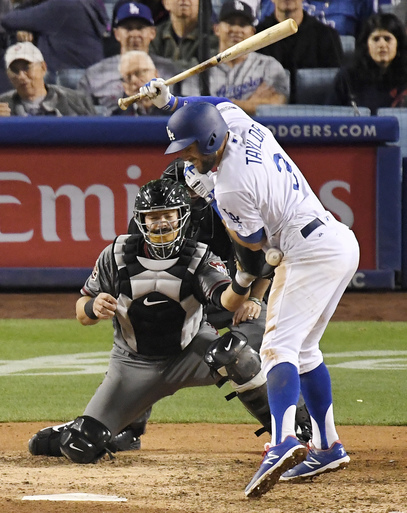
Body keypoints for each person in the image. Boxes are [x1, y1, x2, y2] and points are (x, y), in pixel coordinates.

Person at [138, 78, 359, 497]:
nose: (184, 156)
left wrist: (218, 204)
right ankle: (328, 445)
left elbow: (255, 249)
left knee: (276, 349)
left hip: (306, 251)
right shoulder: (237, 121)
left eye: (189, 148)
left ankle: (281, 443)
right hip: (338, 242)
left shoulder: (231, 187)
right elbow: (215, 103)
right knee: (305, 351)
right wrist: (171, 101)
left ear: (209, 141)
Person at [28, 178, 275, 463]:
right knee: (80, 447)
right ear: (141, 221)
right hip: (132, 365)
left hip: (191, 355)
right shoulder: (116, 255)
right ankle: (82, 430)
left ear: (182, 217)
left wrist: (243, 278)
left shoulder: (198, 256)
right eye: (153, 217)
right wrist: (94, 306)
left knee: (235, 353)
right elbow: (81, 312)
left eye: (168, 215)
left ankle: (290, 433)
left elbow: (226, 301)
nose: (161, 224)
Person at [183, 0, 289, 115]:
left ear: (252, 32)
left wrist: (219, 104)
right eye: (230, 23)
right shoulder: (200, 68)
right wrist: (250, 104)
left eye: (243, 24)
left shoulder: (269, 65)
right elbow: (193, 109)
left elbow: (277, 105)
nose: (236, 29)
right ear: (217, 29)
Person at [77, 1, 181, 115]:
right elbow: (82, 116)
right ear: (116, 34)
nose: (134, 34)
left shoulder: (172, 71)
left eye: (140, 28)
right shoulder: (94, 75)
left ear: (152, 33)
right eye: (128, 28)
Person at [256, 0, 344, 103]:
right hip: (268, 114)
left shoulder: (327, 36)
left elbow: (336, 88)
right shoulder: (256, 37)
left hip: (315, 113)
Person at [1, 0, 109, 75]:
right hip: (85, 73)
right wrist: (23, 28)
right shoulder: (82, 3)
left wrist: (22, 25)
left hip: (70, 75)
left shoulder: (64, 4)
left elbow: (10, 20)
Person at [327, 12, 407, 114]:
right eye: (376, 39)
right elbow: (330, 118)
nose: (382, 44)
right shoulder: (347, 78)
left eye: (387, 39)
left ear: (398, 45)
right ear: (366, 46)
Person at [0, 42, 96, 116]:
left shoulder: (77, 101)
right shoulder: (2, 103)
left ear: (43, 68)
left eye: (26, 68)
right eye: (14, 70)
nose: (21, 76)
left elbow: (96, 135)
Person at [149, 0, 219, 68]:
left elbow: (205, 68)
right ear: (165, 2)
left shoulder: (213, 35)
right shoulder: (154, 35)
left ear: (200, 3)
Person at [111, 50, 168, 116]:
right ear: (124, 87)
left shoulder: (179, 109)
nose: (134, 80)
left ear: (156, 75)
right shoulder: (117, 118)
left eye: (138, 73)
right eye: (128, 77)